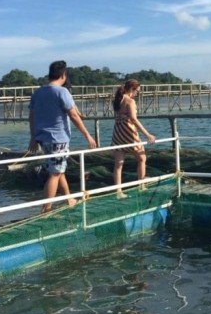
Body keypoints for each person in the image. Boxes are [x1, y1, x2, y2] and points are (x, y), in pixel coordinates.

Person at [28, 60, 97, 213]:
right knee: (55, 173)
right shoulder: (61, 92)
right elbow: (73, 115)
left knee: (59, 169)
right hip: (58, 139)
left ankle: (68, 198)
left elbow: (31, 117)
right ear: (63, 75)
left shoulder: (38, 93)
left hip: (43, 138)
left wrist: (33, 137)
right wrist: (87, 135)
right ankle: (46, 209)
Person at [112, 79, 156, 198]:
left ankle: (118, 191)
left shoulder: (117, 100)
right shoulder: (129, 101)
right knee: (142, 158)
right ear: (132, 89)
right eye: (137, 91)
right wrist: (147, 134)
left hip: (118, 132)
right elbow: (133, 119)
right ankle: (141, 185)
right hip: (129, 132)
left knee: (118, 164)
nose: (137, 94)